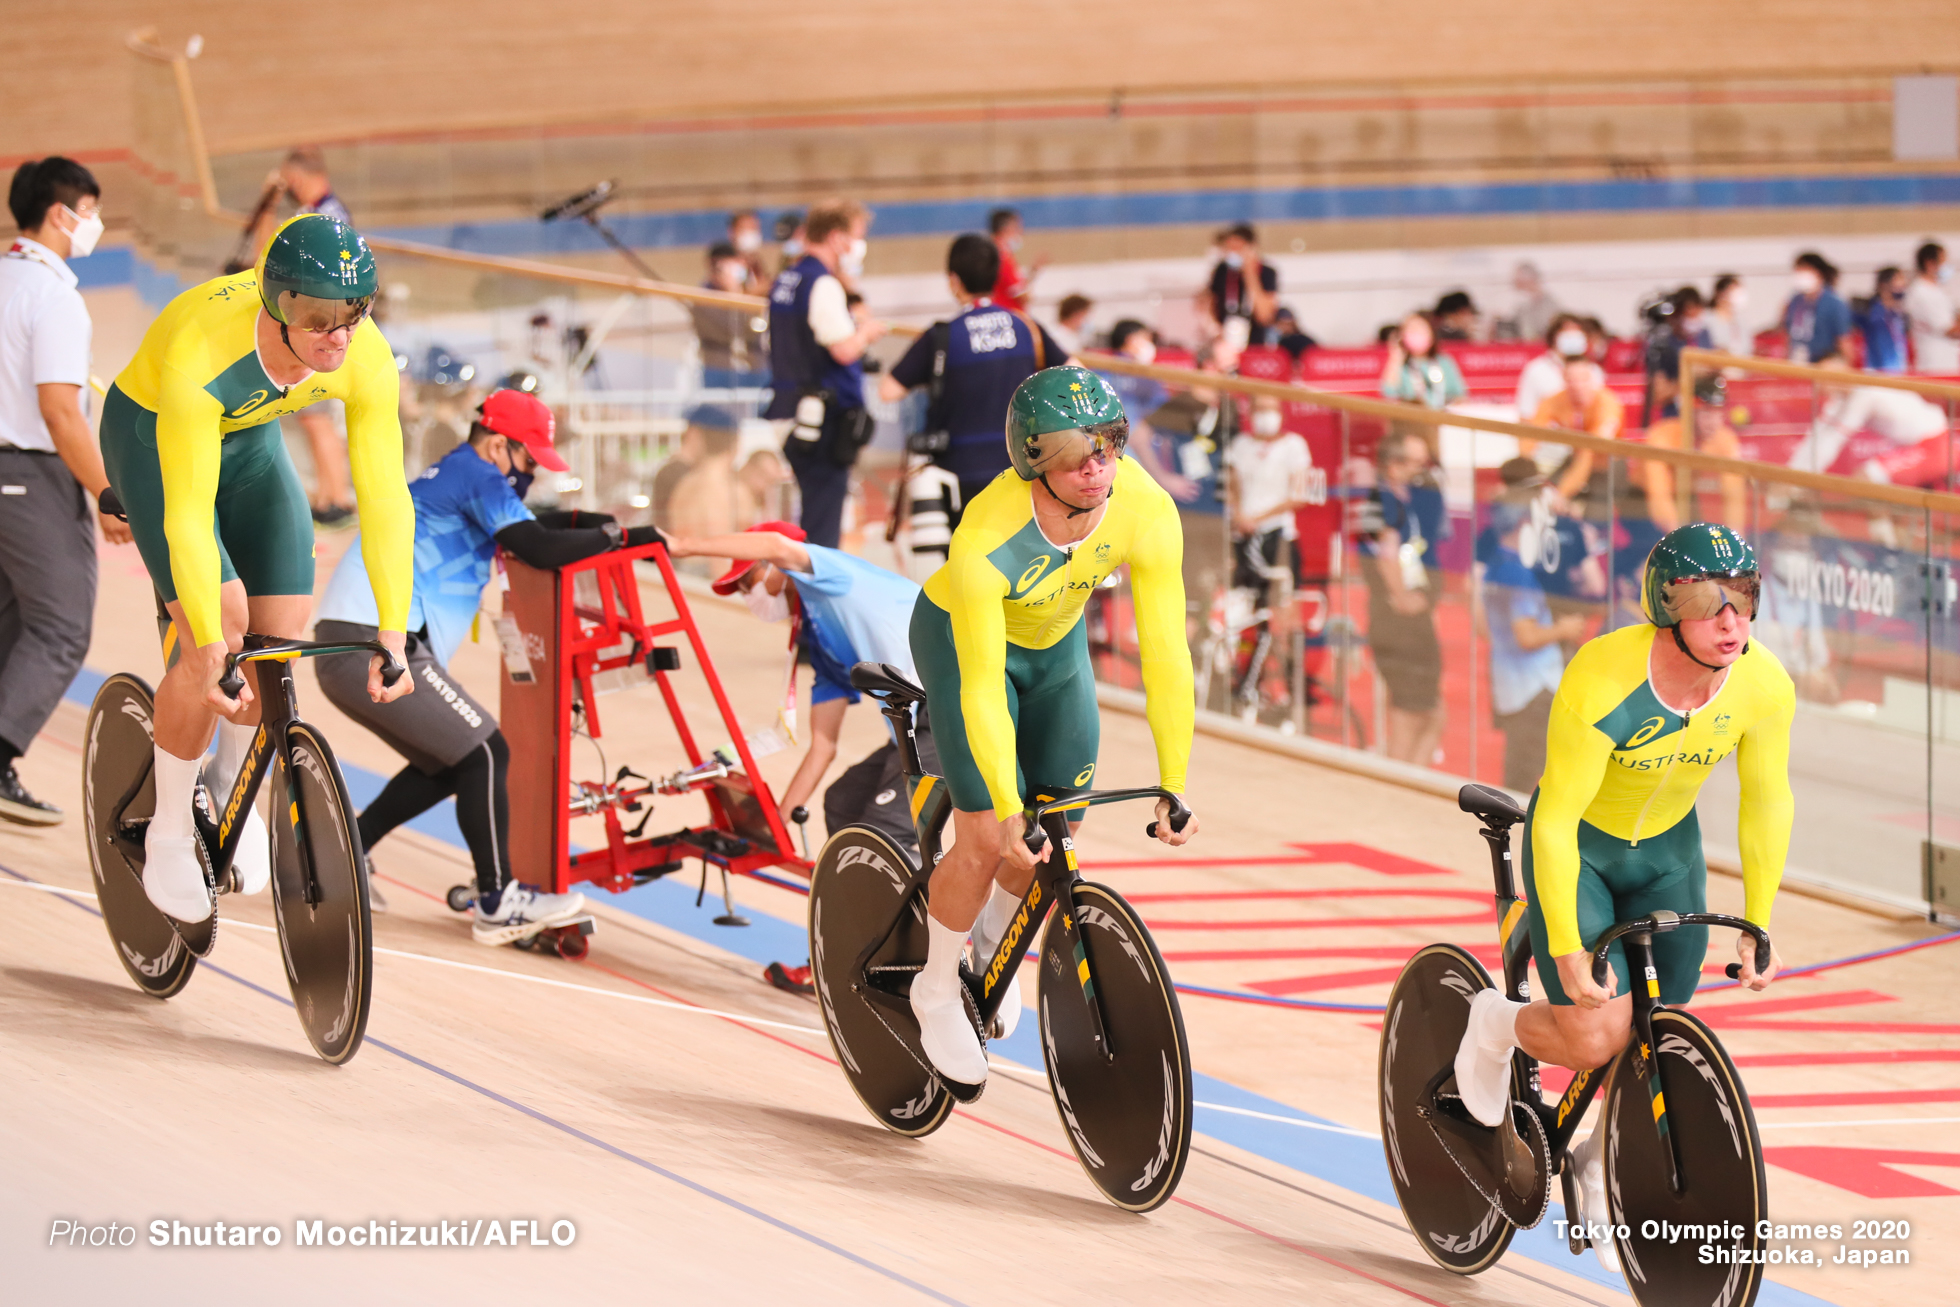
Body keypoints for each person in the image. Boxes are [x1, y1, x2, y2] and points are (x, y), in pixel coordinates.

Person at [1453, 523, 1793, 1274]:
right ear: (1666, 606)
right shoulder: (1604, 676)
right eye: (1710, 601)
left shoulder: (1765, 684)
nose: (1731, 620)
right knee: (1595, 1033)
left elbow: (1766, 802)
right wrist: (1569, 950)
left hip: (1670, 855)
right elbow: (1560, 816)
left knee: (1657, 1034)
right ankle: (1495, 1021)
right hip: (1584, 853)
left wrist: (1759, 920)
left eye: (1743, 597)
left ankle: (1594, 1161)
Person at [100, 214, 417, 924]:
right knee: (219, 632)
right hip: (155, 437)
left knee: (276, 639)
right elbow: (184, 514)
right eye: (318, 316)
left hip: (245, 443)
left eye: (354, 313)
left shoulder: (363, 356)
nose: (338, 334)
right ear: (276, 305)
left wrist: (393, 632)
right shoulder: (200, 349)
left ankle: (230, 792)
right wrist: (207, 637)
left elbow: (387, 500)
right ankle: (171, 828)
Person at [905, 365, 1197, 1090]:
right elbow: (979, 684)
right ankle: (935, 985)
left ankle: (991, 948)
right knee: (985, 835)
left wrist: (1175, 781)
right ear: (1033, 459)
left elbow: (1166, 651)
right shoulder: (986, 533)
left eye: (1109, 442)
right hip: (966, 644)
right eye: (1076, 451)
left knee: (1053, 833)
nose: (1098, 464)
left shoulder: (1147, 506)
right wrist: (1004, 807)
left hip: (1055, 650)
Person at [315, 388, 659, 932]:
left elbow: (537, 524)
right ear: (498, 446)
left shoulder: (459, 474)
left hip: (359, 642)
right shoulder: (477, 476)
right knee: (487, 750)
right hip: (370, 644)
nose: (531, 473)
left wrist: (601, 525)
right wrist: (618, 535)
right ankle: (499, 901)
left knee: (452, 763)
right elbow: (539, 547)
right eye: (528, 460)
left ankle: (349, 847)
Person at [0, 158, 127, 826]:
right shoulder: (54, 298)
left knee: (13, 614)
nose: (94, 225)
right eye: (91, 210)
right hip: (30, 475)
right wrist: (107, 492)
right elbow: (60, 411)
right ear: (61, 213)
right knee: (60, 624)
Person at [880, 233, 1071, 507]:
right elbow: (1075, 371)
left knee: (968, 547)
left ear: (954, 280)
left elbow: (888, 391)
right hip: (1024, 463)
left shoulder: (940, 337)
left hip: (960, 469)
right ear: (996, 277)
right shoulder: (1026, 327)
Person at [245, 147, 360, 530]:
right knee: (316, 418)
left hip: (318, 327)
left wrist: (270, 201)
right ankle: (331, 494)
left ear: (297, 178)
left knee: (317, 418)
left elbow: (263, 254)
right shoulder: (330, 214)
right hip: (328, 323)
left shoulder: (314, 219)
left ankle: (336, 497)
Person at [763, 198, 886, 548]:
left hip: (792, 410)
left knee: (815, 515)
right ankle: (811, 602)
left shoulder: (788, 279)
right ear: (836, 237)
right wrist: (867, 332)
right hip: (821, 421)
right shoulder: (821, 284)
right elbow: (843, 348)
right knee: (822, 529)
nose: (857, 247)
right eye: (855, 237)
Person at [1477, 489, 1583, 791]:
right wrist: (1563, 629)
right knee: (1528, 775)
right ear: (1525, 523)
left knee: (1521, 768)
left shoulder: (1498, 564)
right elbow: (1526, 636)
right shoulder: (1517, 574)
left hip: (1514, 685)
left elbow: (1484, 623)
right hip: (1533, 689)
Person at [1360, 430, 1448, 768]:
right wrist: (1404, 597)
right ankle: (1399, 784)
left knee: (1429, 714)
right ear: (1393, 466)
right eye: (1414, 463)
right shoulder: (1383, 501)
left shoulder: (1404, 502)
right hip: (1398, 623)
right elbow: (1386, 553)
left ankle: (1410, 778)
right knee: (1412, 715)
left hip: (1408, 621)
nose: (1421, 470)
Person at [1785, 353, 1953, 484]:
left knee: (1864, 479)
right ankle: (1886, 526)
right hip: (1919, 444)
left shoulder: (1864, 394)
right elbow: (1818, 434)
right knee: (1865, 479)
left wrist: (1797, 480)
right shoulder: (1844, 397)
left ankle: (1884, 527)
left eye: (1822, 378)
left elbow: (1833, 440)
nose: (1818, 384)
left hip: (1936, 445)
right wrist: (1792, 473)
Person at [1225, 396, 1313, 604]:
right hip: (1243, 534)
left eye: (1270, 409)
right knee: (1243, 598)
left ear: (1281, 413)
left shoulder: (1294, 445)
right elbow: (1232, 487)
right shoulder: (1240, 445)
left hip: (1278, 533)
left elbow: (1298, 496)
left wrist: (1258, 518)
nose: (1265, 415)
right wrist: (1240, 516)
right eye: (1260, 409)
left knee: (1277, 601)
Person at [1641, 373, 1748, 530]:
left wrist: (1738, 543)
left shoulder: (1725, 440)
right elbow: (1658, 495)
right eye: (1706, 412)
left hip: (1686, 498)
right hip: (1639, 502)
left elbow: (1733, 498)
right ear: (1690, 412)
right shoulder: (1661, 436)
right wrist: (1680, 539)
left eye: (1718, 413)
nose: (1713, 421)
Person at [664, 406, 756, 542]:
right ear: (735, 442)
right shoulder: (730, 490)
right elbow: (720, 553)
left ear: (695, 435)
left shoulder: (687, 485)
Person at [691, 242, 769, 392]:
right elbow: (729, 331)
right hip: (719, 371)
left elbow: (755, 329)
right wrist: (732, 293)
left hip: (755, 369)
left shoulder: (751, 293)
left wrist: (739, 292)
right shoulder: (702, 299)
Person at [1206, 223, 1279, 348]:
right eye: (1229, 249)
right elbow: (1209, 303)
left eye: (1237, 249)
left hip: (1255, 344)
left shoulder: (1266, 272)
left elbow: (1265, 316)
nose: (1232, 253)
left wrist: (1250, 274)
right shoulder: (1222, 271)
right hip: (1226, 342)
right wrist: (1214, 328)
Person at [1379, 312, 1465, 415]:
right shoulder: (1401, 365)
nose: (1417, 334)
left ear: (1431, 333)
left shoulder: (1444, 362)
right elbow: (1388, 393)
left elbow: (1460, 395)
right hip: (1411, 422)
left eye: (1420, 330)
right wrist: (1396, 357)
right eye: (1412, 330)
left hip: (1443, 419)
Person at [1513, 313, 1590, 427]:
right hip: (1548, 439)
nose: (1573, 338)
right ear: (1554, 337)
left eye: (1577, 333)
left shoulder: (1593, 370)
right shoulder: (1536, 370)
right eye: (1567, 334)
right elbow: (1525, 415)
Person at [1782, 251, 1850, 364]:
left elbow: (1844, 340)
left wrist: (1847, 369)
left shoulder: (1833, 303)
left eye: (1803, 270)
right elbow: (1788, 335)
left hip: (1824, 362)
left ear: (1817, 272)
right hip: (1797, 360)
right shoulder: (1795, 301)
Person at [1905, 241, 1960, 374]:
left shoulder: (1937, 290)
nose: (1947, 266)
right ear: (1930, 263)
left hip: (1947, 362)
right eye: (1943, 261)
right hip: (1935, 366)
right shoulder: (1922, 293)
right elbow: (1950, 331)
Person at [987, 208, 1044, 312]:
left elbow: (1016, 287)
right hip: (1008, 314)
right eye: (1017, 227)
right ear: (1007, 228)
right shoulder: (1001, 256)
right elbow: (1022, 296)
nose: (1021, 232)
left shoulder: (998, 253)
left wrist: (1034, 271)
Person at [1859, 266, 1911, 374]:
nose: (1904, 284)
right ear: (1883, 284)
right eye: (1898, 279)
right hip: (1878, 372)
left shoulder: (1898, 314)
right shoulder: (1873, 313)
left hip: (1899, 370)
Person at [1497, 261, 1559, 343]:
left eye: (1518, 281)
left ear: (1531, 279)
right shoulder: (1519, 304)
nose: (1515, 284)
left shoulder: (1549, 304)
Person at [1705, 273, 1749, 354]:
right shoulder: (1707, 319)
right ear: (1721, 293)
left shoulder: (1741, 321)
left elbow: (1747, 349)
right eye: (1733, 292)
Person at [727, 209, 769, 291]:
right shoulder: (727, 267)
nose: (750, 234)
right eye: (745, 229)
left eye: (754, 229)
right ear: (732, 232)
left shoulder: (757, 265)